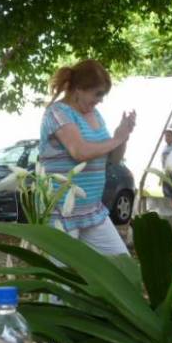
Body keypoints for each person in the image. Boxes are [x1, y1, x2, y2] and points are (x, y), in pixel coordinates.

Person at [39, 59, 136, 256]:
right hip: (62, 213)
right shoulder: (57, 113)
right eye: (97, 94)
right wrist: (116, 138)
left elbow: (113, 159)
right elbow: (79, 152)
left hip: (92, 211)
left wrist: (123, 136)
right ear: (78, 89)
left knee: (121, 266)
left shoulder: (95, 114)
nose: (100, 100)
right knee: (60, 281)